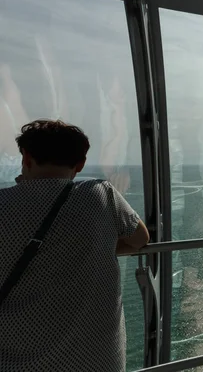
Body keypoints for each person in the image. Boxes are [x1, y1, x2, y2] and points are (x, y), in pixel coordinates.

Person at [0, 120, 149, 371]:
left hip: (17, 362)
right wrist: (95, 246)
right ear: (80, 164)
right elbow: (140, 239)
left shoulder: (3, 205)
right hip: (99, 361)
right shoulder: (101, 193)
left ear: (25, 157)